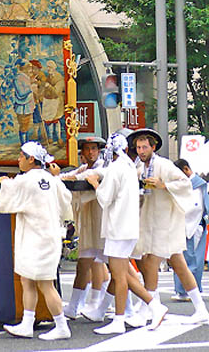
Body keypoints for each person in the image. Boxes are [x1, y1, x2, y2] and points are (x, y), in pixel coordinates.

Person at [84, 132, 167, 335]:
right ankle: (138, 311)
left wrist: (95, 184)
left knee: (119, 275)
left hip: (117, 227)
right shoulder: (129, 166)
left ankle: (135, 313)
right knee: (121, 275)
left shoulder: (115, 168)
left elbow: (105, 198)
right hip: (128, 226)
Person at [128, 128, 209, 324]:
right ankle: (199, 308)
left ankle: (151, 306)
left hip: (167, 221)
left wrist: (163, 185)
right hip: (152, 220)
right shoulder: (139, 167)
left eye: (144, 147)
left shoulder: (164, 165)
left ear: (153, 147)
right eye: (138, 147)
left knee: (151, 263)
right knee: (178, 265)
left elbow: (185, 184)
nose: (141, 151)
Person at [0, 141, 72, 341]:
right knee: (27, 279)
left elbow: (7, 200)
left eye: (21, 156)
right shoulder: (52, 180)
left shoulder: (24, 180)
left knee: (45, 283)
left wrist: (4, 182)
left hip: (35, 237)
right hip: (48, 236)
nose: (18, 159)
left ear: (31, 159)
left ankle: (62, 326)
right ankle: (27, 323)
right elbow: (66, 201)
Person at [62, 137, 109, 319]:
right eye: (87, 149)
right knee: (84, 264)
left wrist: (69, 177)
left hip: (102, 223)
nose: (91, 152)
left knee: (120, 269)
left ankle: (138, 306)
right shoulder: (84, 168)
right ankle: (75, 306)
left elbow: (83, 177)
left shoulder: (104, 168)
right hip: (89, 225)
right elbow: (75, 174)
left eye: (94, 149)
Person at [172, 159, 209, 300]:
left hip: (193, 226)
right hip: (184, 224)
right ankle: (183, 290)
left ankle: (189, 290)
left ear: (186, 169)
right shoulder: (189, 184)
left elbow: (196, 207)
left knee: (192, 259)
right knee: (183, 259)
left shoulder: (198, 185)